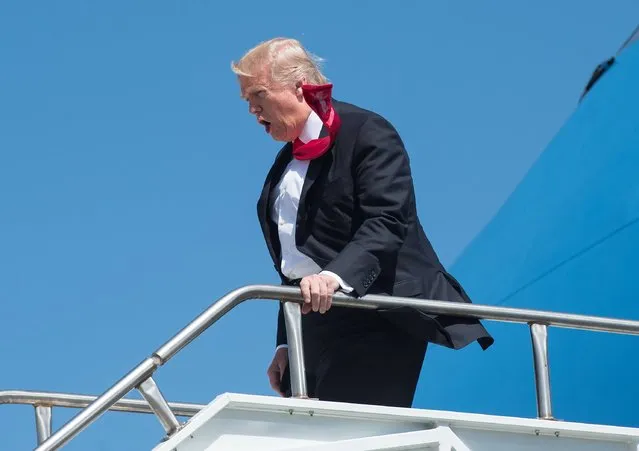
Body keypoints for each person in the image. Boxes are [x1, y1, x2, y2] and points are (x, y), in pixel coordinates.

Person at [231, 37, 494, 408]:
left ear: (299, 86)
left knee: (350, 437)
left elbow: (388, 220)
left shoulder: (367, 131)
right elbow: (293, 262)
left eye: (257, 94)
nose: (253, 110)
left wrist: (335, 277)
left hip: (377, 312)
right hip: (312, 323)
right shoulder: (283, 164)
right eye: (246, 102)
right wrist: (286, 340)